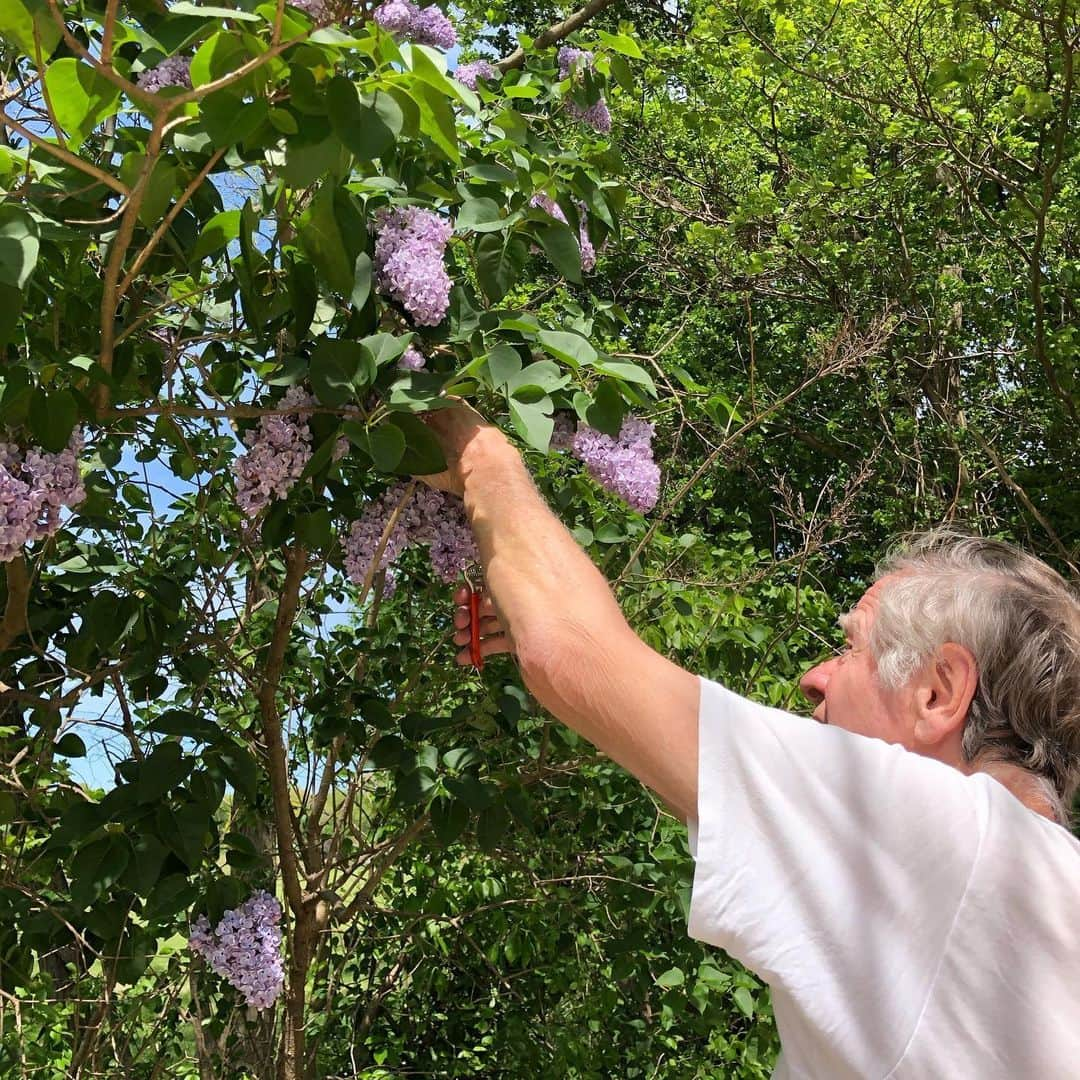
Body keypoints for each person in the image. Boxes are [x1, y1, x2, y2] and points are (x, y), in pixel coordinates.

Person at [421, 402, 1080, 1078]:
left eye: (849, 649)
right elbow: (668, 745)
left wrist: (477, 450)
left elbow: (571, 654)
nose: (812, 677)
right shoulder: (1035, 886)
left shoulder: (947, 842)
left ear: (938, 692)